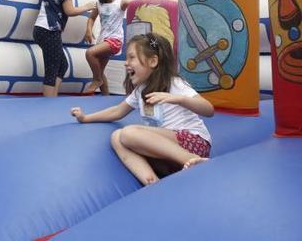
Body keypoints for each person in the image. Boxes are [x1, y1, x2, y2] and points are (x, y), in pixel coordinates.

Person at [70, 33, 214, 186]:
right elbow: (117, 111)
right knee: (116, 137)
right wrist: (85, 118)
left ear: (152, 61)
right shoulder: (140, 91)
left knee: (128, 133)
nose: (126, 63)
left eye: (131, 57)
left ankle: (192, 160)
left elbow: (208, 110)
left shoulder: (174, 83)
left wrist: (178, 99)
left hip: (193, 144)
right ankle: (152, 182)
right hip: (168, 155)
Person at [33, 0, 96, 97]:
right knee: (52, 70)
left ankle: (52, 97)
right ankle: (48, 103)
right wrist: (87, 6)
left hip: (41, 30)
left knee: (62, 65)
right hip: (49, 30)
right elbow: (70, 11)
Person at [84, 0, 129, 95]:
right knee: (100, 70)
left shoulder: (120, 3)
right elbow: (92, 18)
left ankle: (96, 80)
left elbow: (130, 2)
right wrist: (88, 30)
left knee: (90, 53)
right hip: (102, 40)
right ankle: (106, 96)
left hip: (115, 40)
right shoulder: (99, 4)